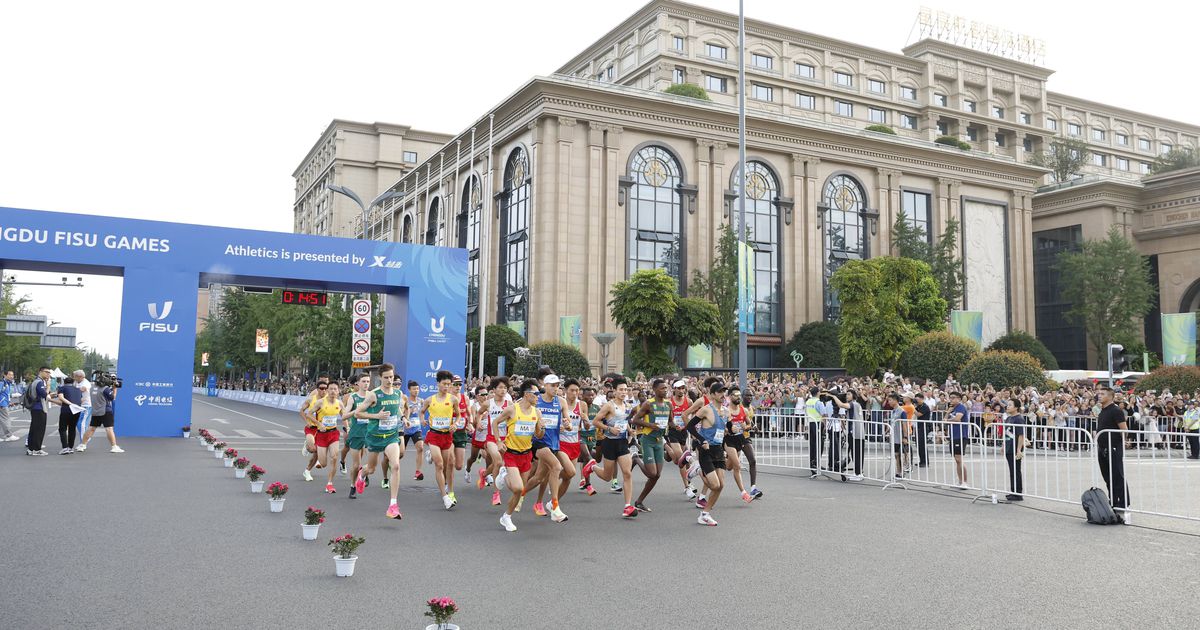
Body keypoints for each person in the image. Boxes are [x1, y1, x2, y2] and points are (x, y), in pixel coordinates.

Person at [581, 376, 638, 518]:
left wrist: (630, 430)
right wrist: (609, 428)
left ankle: (627, 506)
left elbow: (625, 421)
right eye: (621, 390)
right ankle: (592, 467)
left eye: (625, 389)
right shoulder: (609, 406)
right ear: (615, 391)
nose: (624, 392)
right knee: (607, 477)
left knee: (627, 473)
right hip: (610, 443)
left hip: (622, 443)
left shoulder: (628, 405)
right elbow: (595, 421)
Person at [493, 378, 546, 532]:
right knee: (517, 488)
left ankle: (506, 516)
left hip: (526, 454)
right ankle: (504, 475)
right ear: (526, 394)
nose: (538, 397)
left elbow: (539, 435)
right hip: (511, 453)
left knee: (520, 490)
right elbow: (495, 423)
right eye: (536, 394)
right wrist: (498, 441)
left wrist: (542, 428)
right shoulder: (512, 409)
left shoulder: (537, 412)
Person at [354, 364, 405, 520]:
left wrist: (404, 419)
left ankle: (393, 505)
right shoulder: (373, 395)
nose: (390, 380)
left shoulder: (398, 393)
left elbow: (398, 411)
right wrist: (377, 416)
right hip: (375, 437)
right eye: (386, 378)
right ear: (380, 378)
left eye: (392, 377)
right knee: (371, 469)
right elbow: (357, 413)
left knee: (395, 465)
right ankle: (362, 474)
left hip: (391, 436)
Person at [686, 382, 729, 526]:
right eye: (720, 392)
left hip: (718, 451)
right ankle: (698, 469)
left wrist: (732, 430)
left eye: (724, 392)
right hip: (706, 450)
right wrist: (701, 439)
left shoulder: (726, 412)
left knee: (721, 485)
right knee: (715, 485)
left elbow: (723, 430)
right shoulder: (706, 410)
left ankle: (705, 514)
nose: (723, 395)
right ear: (712, 394)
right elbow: (690, 426)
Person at [420, 370, 462, 510]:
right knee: (439, 464)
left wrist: (455, 424)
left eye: (449, 384)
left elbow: (459, 415)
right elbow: (421, 411)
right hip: (434, 435)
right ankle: (445, 497)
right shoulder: (429, 400)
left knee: (447, 465)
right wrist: (422, 420)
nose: (446, 386)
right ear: (438, 384)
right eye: (444, 384)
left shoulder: (453, 399)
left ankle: (450, 491)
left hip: (447, 436)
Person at [628, 378, 670, 512]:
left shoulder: (669, 405)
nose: (665, 390)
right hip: (648, 440)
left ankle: (639, 501)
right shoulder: (648, 404)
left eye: (665, 388)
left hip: (659, 441)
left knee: (657, 476)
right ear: (655, 390)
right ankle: (636, 459)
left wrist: (678, 426)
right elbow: (635, 420)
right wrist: (650, 425)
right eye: (662, 388)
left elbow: (671, 422)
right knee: (652, 473)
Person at [1096, 386, 1130, 522]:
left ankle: (1123, 504)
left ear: (1110, 396)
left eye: (1102, 394)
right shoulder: (1102, 411)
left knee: (1118, 476)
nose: (1099, 395)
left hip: (1113, 447)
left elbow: (1124, 429)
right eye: (1099, 393)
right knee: (1108, 477)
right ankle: (1113, 501)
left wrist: (1122, 443)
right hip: (1102, 448)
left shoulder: (1116, 411)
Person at [310, 381, 345, 493]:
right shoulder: (320, 402)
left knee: (334, 457)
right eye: (331, 389)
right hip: (321, 435)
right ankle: (316, 452)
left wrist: (347, 427)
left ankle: (329, 483)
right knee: (323, 463)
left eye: (335, 389)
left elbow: (344, 417)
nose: (333, 391)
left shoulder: (339, 404)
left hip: (333, 433)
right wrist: (319, 424)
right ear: (327, 391)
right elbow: (309, 414)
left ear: (338, 391)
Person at [343, 373, 373, 499]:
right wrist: (357, 411)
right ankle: (353, 486)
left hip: (370, 433)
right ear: (358, 383)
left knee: (371, 463)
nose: (366, 384)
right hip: (356, 434)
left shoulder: (373, 396)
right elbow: (344, 416)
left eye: (368, 381)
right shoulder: (353, 397)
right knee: (356, 465)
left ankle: (363, 473)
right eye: (364, 381)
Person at [77, 376, 122, 453]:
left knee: (91, 428)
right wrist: (114, 389)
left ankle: (82, 445)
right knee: (109, 429)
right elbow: (112, 397)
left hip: (95, 411)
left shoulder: (92, 388)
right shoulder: (105, 389)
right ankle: (114, 447)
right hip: (105, 411)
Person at [299, 375, 330, 481]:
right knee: (312, 448)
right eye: (321, 389)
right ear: (317, 389)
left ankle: (307, 471)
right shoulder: (311, 399)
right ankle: (307, 445)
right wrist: (306, 421)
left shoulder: (329, 400)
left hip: (322, 430)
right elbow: (302, 410)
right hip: (311, 428)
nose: (324, 391)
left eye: (326, 389)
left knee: (317, 452)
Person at [400, 380, 426, 483]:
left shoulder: (421, 401)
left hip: (416, 429)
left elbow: (422, 413)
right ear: (409, 390)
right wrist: (408, 414)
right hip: (405, 429)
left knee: (420, 448)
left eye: (417, 389)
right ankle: (392, 468)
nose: (416, 391)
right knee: (400, 454)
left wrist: (423, 420)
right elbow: (401, 413)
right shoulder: (405, 400)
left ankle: (418, 472)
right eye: (414, 389)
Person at [51, 374, 84, 454]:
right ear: (73, 382)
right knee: (72, 428)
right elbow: (82, 400)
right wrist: (75, 404)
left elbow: (61, 398)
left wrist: (69, 404)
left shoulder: (62, 388)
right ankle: (70, 447)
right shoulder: (78, 389)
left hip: (66, 410)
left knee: (62, 429)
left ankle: (65, 447)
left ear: (64, 382)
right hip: (76, 411)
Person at [25, 367, 51, 456]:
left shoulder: (35, 381)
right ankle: (36, 449)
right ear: (40, 372)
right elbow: (44, 394)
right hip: (39, 408)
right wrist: (48, 387)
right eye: (46, 372)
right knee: (39, 429)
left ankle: (31, 448)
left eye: (49, 372)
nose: (48, 374)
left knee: (33, 428)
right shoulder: (39, 382)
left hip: (34, 408)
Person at [1003, 402, 1026, 501]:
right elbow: (1006, 433)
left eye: (1010, 405)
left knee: (1016, 470)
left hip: (1015, 447)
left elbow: (1021, 435)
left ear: (1016, 407)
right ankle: (1013, 491)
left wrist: (1018, 449)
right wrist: (1003, 445)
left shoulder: (1019, 419)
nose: (1008, 407)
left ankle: (1018, 493)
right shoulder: (1008, 418)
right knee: (1012, 470)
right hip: (1008, 446)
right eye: (1007, 405)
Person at [947, 392, 970, 489]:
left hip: (960, 435)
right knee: (957, 460)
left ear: (959, 399)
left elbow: (957, 419)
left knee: (959, 459)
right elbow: (945, 418)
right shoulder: (953, 408)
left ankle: (964, 482)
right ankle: (960, 481)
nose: (951, 399)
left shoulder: (961, 407)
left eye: (953, 398)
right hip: (953, 435)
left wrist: (947, 420)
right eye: (950, 398)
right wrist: (948, 412)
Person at [0, 370, 18, 442]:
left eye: (12, 375)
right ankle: (9, 435)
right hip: (2, 403)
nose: (12, 376)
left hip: (4, 402)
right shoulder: (2, 382)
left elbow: (5, 394)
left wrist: (10, 398)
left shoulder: (7, 383)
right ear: (5, 375)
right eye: (10, 375)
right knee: (6, 419)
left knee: (3, 419)